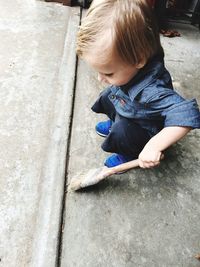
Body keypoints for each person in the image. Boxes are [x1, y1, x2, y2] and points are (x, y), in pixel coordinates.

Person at [76, 0, 200, 169]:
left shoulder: (153, 91)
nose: (100, 78)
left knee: (122, 132)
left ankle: (128, 153)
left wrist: (154, 145)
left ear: (139, 60)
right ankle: (115, 122)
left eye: (108, 73)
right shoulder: (137, 57)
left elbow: (187, 112)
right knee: (107, 95)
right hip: (128, 105)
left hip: (145, 127)